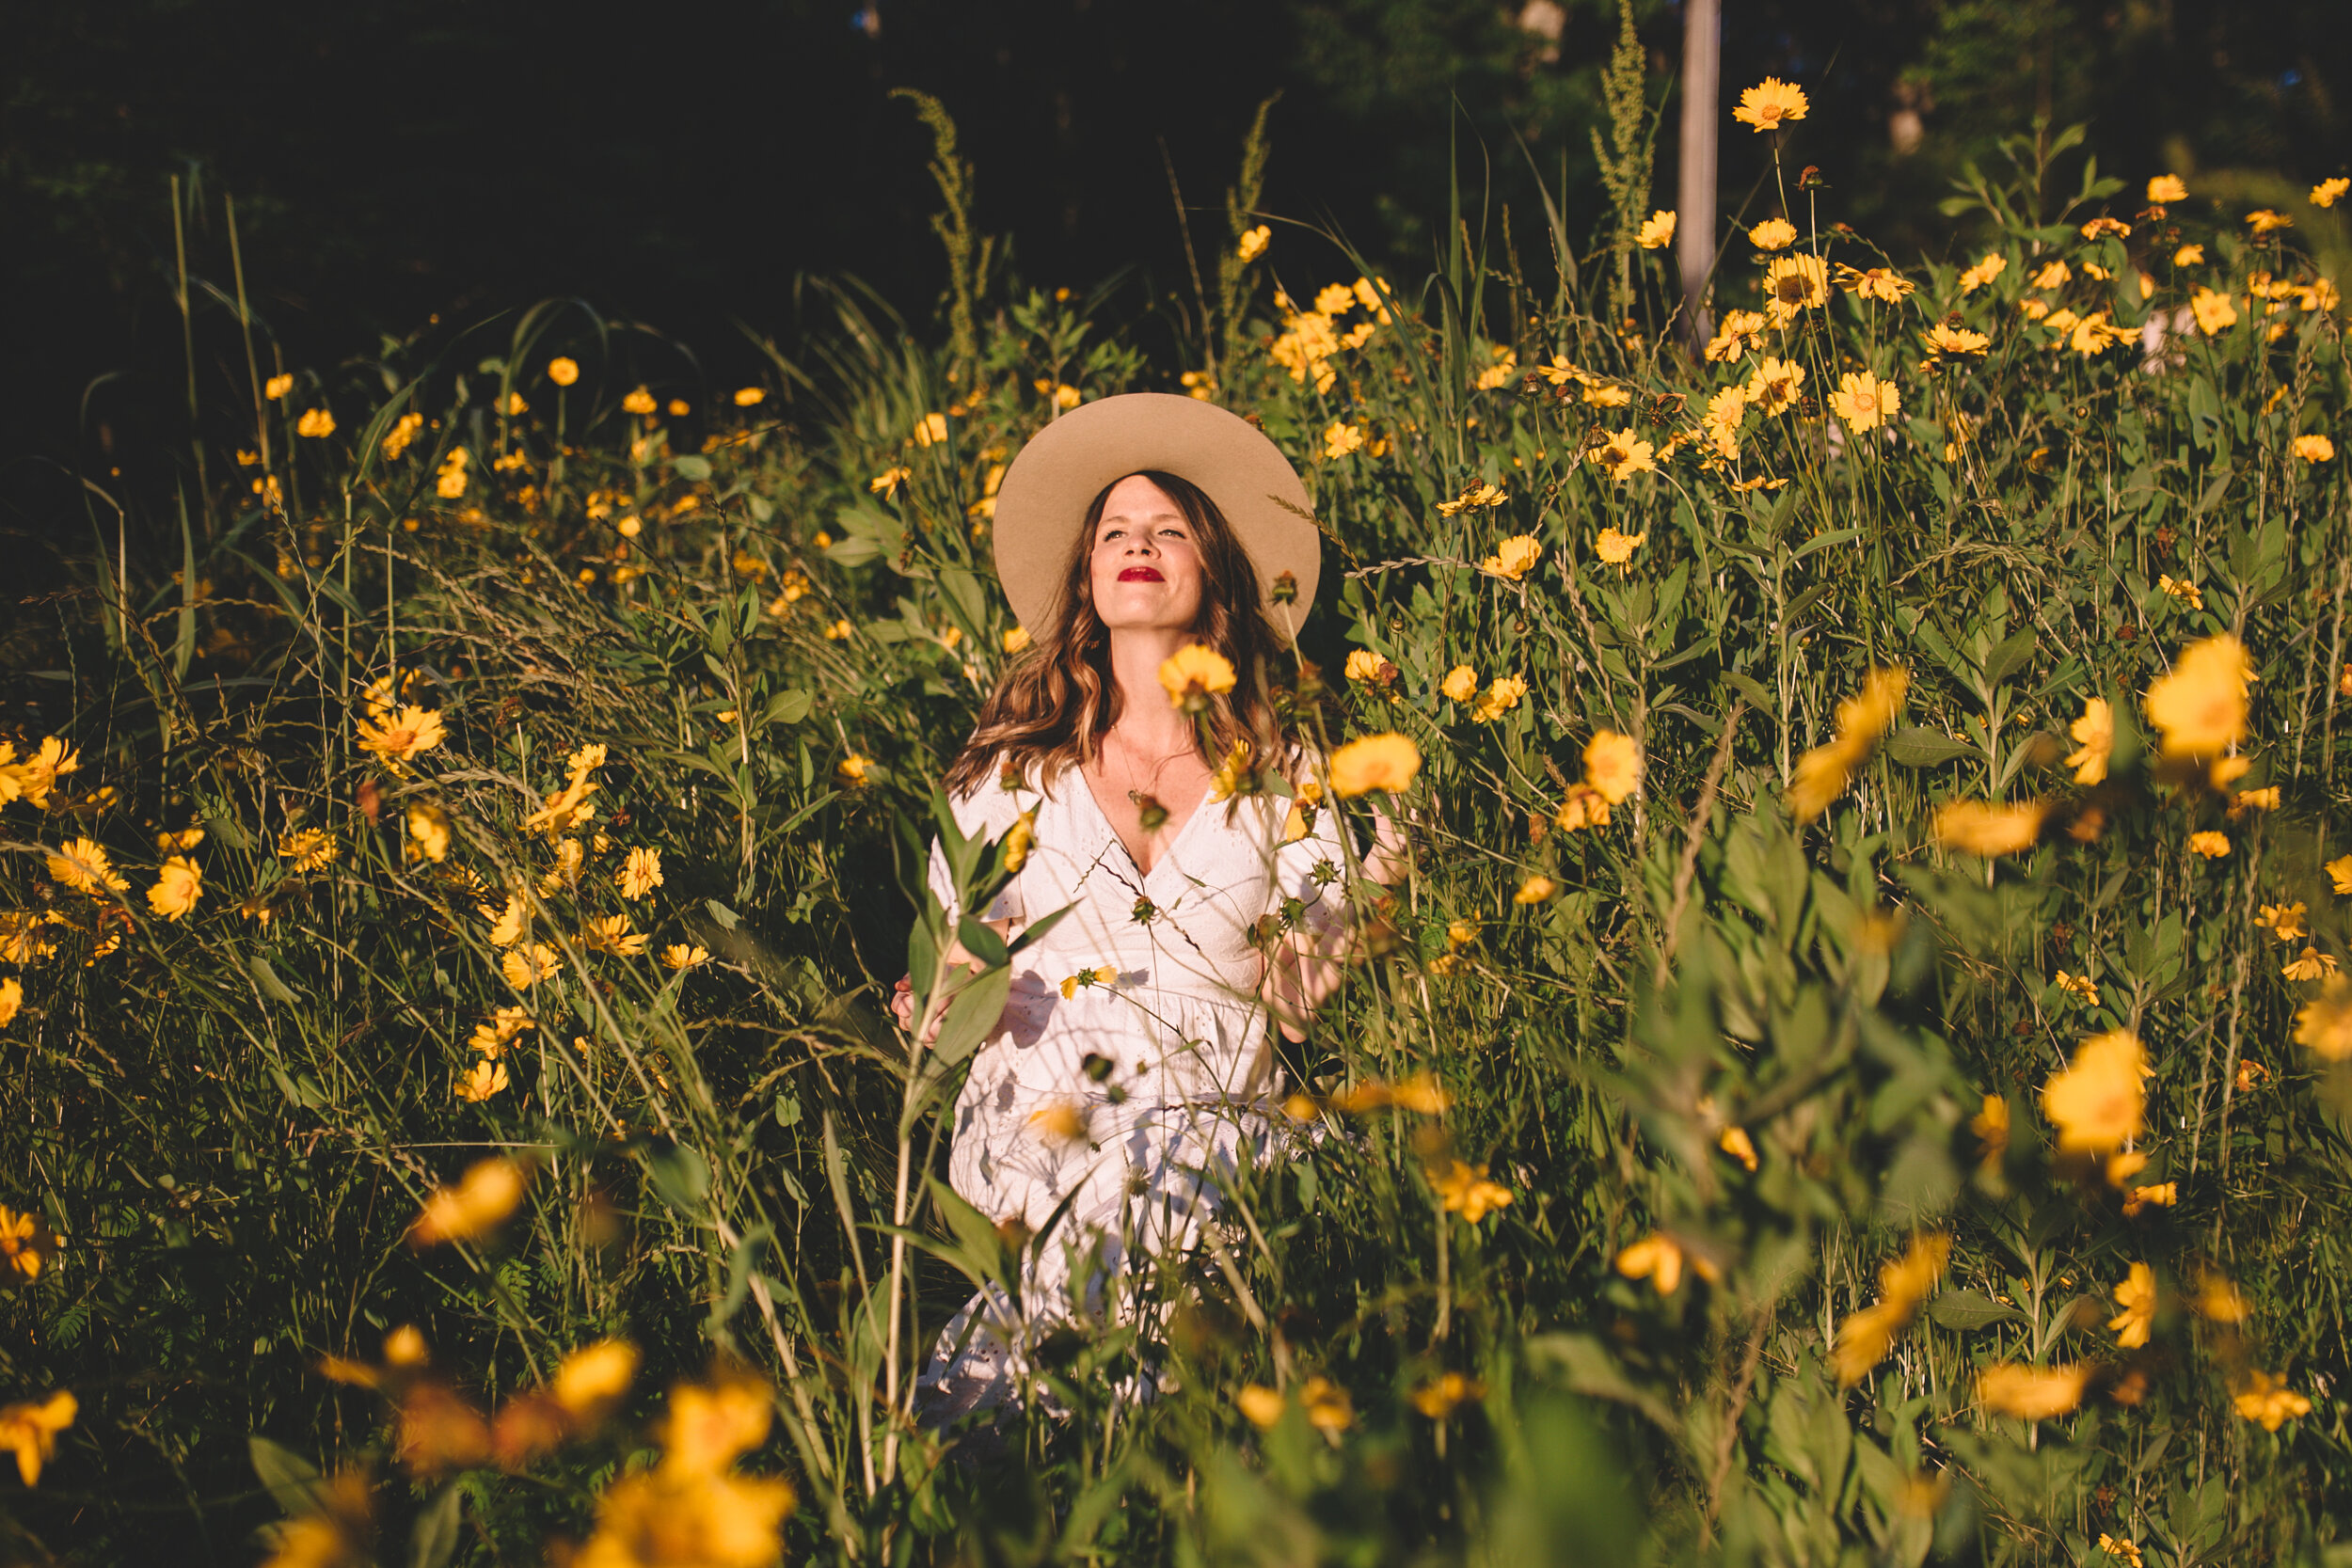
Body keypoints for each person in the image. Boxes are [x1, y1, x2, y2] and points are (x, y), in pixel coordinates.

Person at [891, 393, 1361, 1422]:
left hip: (1213, 1129)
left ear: (1216, 573)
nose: (1136, 545)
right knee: (1118, 1193)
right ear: (1088, 576)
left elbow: (1298, 992)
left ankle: (984, 1429)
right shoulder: (1006, 778)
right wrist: (944, 990)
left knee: (1168, 1165)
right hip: (1047, 1123)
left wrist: (1314, 968)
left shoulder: (1284, 774)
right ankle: (1141, 1432)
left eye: (1167, 529)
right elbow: (943, 977)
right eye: (1114, 531)